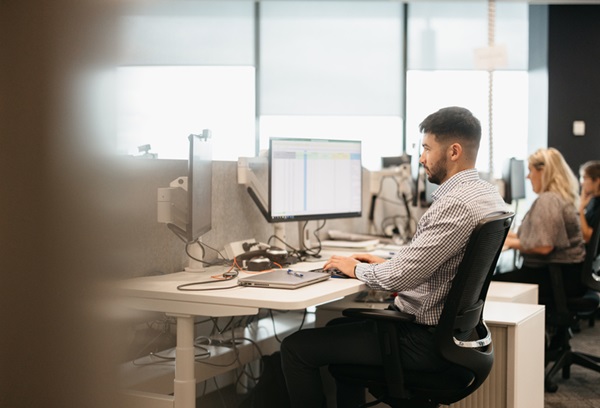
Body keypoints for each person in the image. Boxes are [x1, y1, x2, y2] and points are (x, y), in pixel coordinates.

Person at [280, 106, 508, 408]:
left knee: (296, 347)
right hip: (453, 335)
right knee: (335, 330)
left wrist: (354, 268)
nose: (422, 158)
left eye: (427, 148)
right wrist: (386, 263)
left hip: (422, 340)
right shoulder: (487, 196)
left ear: (454, 151)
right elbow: (429, 259)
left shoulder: (454, 204)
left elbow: (398, 278)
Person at [493, 148, 586, 301]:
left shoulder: (548, 200)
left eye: (530, 171)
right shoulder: (559, 197)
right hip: (566, 276)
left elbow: (544, 246)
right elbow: (538, 235)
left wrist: (507, 242)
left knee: (487, 284)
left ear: (543, 171)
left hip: (555, 279)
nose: (527, 176)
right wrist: (505, 235)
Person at [579, 160, 600, 243]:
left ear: (597, 180)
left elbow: (588, 236)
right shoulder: (591, 201)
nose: (582, 183)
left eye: (584, 178)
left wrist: (580, 209)